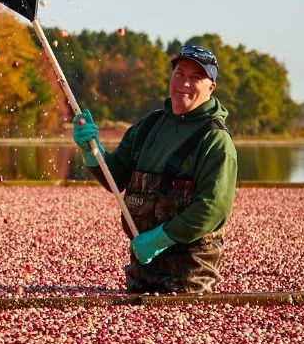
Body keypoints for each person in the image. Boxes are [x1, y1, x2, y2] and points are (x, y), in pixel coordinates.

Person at [71, 45, 238, 294]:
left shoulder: (215, 140)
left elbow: (212, 208)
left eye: (196, 78)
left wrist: (161, 238)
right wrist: (92, 151)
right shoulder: (148, 126)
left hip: (190, 276)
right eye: (180, 74)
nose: (185, 83)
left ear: (211, 87)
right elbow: (116, 179)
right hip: (141, 272)